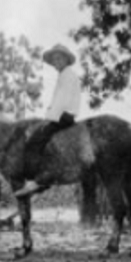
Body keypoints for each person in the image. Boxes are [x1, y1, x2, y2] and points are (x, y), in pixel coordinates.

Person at [14, 43, 82, 197]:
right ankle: (43, 175)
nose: (56, 62)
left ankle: (33, 182)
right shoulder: (65, 75)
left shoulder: (67, 75)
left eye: (59, 58)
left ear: (65, 59)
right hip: (63, 114)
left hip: (63, 115)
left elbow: (61, 100)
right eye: (54, 59)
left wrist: (48, 119)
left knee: (33, 141)